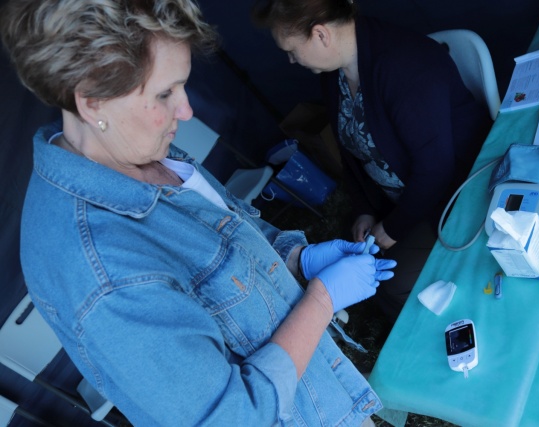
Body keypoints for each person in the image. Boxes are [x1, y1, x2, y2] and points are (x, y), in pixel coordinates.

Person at [0, 0, 397, 426]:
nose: (186, 111)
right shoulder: (101, 274)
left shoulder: (129, 145)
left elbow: (224, 242)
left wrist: (298, 259)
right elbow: (234, 418)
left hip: (323, 398)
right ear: (93, 101)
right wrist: (322, 299)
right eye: (165, 93)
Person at [253, 0, 492, 322]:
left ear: (321, 35)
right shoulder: (335, 73)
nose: (291, 60)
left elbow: (435, 170)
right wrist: (365, 209)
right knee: (362, 265)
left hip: (456, 191)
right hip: (405, 196)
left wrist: (392, 227)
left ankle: (449, 324)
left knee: (391, 280)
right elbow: (352, 154)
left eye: (292, 50)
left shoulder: (404, 68)